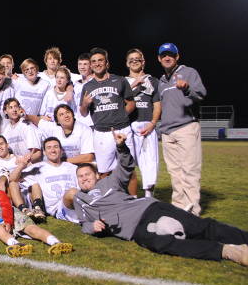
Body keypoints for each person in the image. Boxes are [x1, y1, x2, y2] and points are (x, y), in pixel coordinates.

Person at [73, 131, 248, 267]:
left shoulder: (110, 181)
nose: (84, 178)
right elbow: (83, 224)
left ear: (97, 175)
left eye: (87, 174)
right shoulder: (80, 199)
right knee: (161, 244)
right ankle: (229, 251)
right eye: (80, 176)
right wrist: (92, 227)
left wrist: (122, 147)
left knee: (198, 226)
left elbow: (126, 165)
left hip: (150, 208)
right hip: (134, 229)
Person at [157, 43, 207, 215]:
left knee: (190, 170)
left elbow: (201, 94)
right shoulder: (162, 81)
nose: (167, 57)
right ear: (159, 58)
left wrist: (186, 89)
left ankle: (193, 210)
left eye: (170, 54)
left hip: (186, 127)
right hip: (167, 131)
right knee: (175, 173)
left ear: (177, 57)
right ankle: (179, 207)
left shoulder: (189, 72)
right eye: (164, 55)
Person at [0, 171, 74, 257]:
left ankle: (56, 243)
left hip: (13, 216)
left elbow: (6, 206)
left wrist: (8, 222)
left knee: (31, 229)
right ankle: (16, 245)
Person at [79, 47, 136, 193]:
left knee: (128, 168)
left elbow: (131, 103)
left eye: (100, 60)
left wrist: (122, 116)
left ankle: (132, 202)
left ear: (107, 63)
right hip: (101, 132)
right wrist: (85, 104)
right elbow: (83, 113)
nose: (97, 64)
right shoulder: (87, 86)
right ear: (90, 66)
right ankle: (109, 202)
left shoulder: (120, 80)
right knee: (104, 171)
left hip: (122, 129)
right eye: (94, 61)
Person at [13, 137, 79, 223]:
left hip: (73, 202)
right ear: (44, 152)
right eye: (49, 147)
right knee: (72, 192)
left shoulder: (72, 168)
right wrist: (22, 165)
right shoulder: (38, 168)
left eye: (56, 147)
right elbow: (13, 179)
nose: (53, 150)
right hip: (57, 208)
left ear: (61, 150)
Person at [125, 49, 161, 198]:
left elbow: (157, 105)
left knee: (150, 164)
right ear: (127, 63)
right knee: (127, 164)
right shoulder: (122, 82)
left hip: (147, 125)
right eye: (131, 60)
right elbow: (120, 104)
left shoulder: (153, 81)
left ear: (143, 62)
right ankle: (130, 197)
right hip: (129, 127)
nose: (134, 62)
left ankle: (149, 197)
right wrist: (134, 84)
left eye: (137, 59)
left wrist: (153, 123)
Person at [14, 58, 50, 123]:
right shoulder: (18, 82)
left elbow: (47, 103)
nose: (30, 71)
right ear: (24, 73)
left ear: (36, 69)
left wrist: (41, 117)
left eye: (32, 68)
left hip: (35, 121)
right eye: (27, 69)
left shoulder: (45, 84)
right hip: (18, 121)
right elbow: (3, 77)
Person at [73, 53, 94, 128]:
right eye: (80, 64)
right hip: (78, 123)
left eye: (85, 64)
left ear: (91, 65)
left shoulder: (95, 81)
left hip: (91, 123)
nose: (82, 67)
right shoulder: (75, 83)